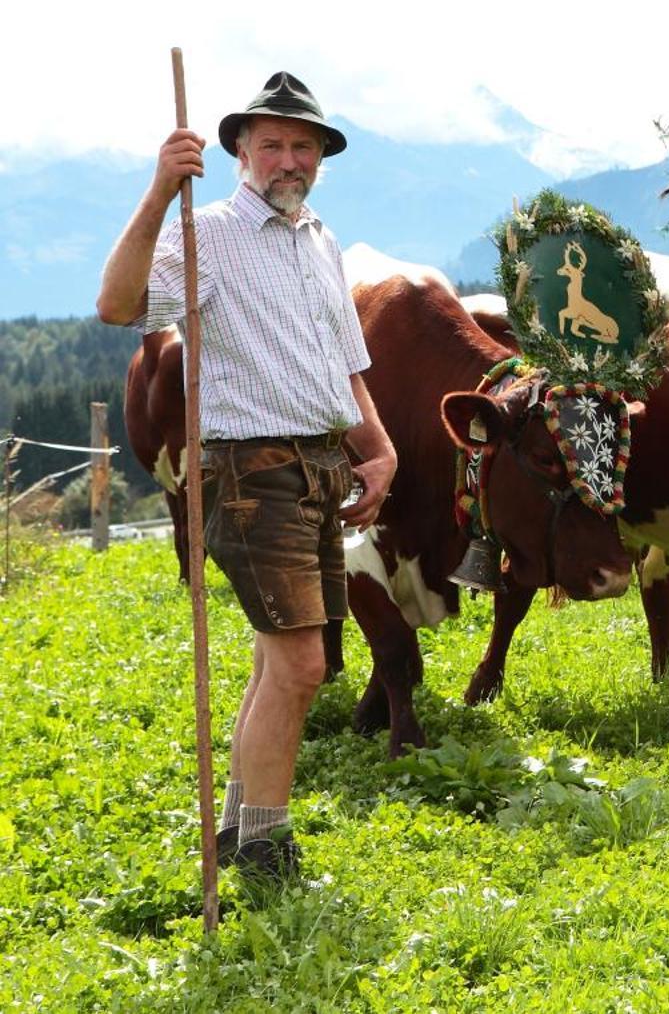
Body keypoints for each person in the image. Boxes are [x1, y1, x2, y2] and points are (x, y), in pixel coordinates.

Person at [96, 72, 396, 883]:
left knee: (280, 661)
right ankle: (265, 849)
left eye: (304, 146)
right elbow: (118, 304)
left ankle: (237, 828)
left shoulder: (321, 239)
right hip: (248, 469)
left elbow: (347, 363)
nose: (288, 159)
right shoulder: (210, 232)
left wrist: (382, 447)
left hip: (318, 468)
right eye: (272, 144)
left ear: (321, 157)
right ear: (239, 150)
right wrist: (161, 189)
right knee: (303, 665)